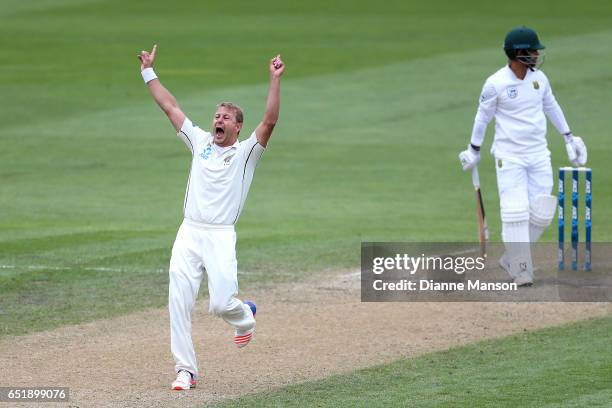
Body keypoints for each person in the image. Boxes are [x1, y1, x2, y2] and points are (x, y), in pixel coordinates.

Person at [137, 44, 285, 390]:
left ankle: (244, 317)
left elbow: (270, 121)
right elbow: (170, 106)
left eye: (226, 118)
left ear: (238, 127)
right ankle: (185, 370)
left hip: (219, 235)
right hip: (189, 232)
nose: (219, 120)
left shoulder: (247, 153)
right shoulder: (200, 140)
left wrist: (274, 79)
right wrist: (148, 71)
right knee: (178, 301)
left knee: (220, 303)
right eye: (217, 115)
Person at [458, 26, 587, 286]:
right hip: (510, 155)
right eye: (532, 51)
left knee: (542, 211)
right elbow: (482, 118)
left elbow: (551, 106)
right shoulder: (495, 83)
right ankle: (521, 268)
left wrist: (569, 137)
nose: (537, 55)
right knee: (515, 211)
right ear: (517, 53)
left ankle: (511, 257)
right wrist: (474, 149)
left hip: (539, 154)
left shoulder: (540, 79)